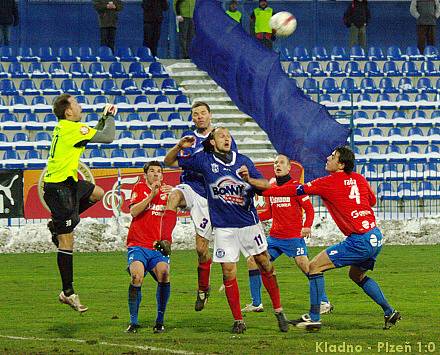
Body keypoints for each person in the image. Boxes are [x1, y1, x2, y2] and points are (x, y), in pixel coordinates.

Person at [258, 146, 401, 331]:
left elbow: (295, 190)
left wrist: (264, 192)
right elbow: (372, 201)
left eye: (332, 156)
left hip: (359, 240)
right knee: (356, 275)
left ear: (340, 164)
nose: (328, 157)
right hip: (375, 237)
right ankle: (389, 311)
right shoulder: (359, 178)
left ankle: (314, 317)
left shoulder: (328, 182)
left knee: (314, 267)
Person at [164, 127, 290, 334]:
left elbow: (266, 185)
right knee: (228, 272)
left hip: (249, 224)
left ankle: (278, 311)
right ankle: (238, 320)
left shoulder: (243, 160)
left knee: (265, 264)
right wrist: (179, 146)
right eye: (221, 136)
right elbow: (169, 162)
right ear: (212, 142)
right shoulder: (204, 160)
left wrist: (249, 179)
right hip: (224, 227)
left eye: (229, 136)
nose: (226, 138)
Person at [160, 102, 237, 312]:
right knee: (174, 195)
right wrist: (179, 146)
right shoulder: (189, 138)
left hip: (214, 196)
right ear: (193, 119)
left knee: (202, 250)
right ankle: (165, 240)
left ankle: (203, 289)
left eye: (203, 113)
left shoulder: (223, 137)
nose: (200, 116)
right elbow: (169, 162)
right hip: (191, 188)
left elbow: (233, 164)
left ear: (210, 115)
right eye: (196, 114)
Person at [43, 94, 116, 313]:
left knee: (98, 193)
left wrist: (102, 119)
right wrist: (111, 116)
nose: (80, 106)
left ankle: (59, 225)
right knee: (67, 242)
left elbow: (95, 132)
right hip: (58, 190)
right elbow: (108, 137)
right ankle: (68, 292)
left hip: (68, 184)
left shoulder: (66, 128)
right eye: (76, 103)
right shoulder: (73, 129)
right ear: (68, 111)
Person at [242, 154, 333, 316]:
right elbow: (269, 212)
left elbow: (310, 210)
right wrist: (252, 216)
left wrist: (306, 226)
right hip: (275, 238)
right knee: (253, 261)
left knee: (309, 268)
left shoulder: (296, 187)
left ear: (289, 167)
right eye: (276, 162)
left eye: (281, 162)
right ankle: (256, 303)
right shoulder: (272, 187)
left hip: (293, 239)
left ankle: (324, 302)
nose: (277, 165)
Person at [125, 161, 173, 334]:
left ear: (162, 175)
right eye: (151, 171)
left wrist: (177, 194)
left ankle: (159, 321)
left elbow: (181, 208)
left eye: (159, 171)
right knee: (136, 277)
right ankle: (134, 321)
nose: (155, 174)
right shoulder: (139, 188)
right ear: (145, 175)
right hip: (138, 244)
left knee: (164, 274)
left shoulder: (169, 192)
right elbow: (134, 212)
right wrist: (151, 195)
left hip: (158, 247)